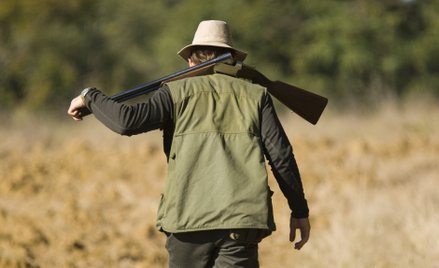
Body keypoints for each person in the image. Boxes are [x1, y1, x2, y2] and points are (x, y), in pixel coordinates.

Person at [68, 20, 310, 268]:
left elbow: (126, 122)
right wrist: (299, 210)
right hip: (241, 223)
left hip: (188, 221)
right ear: (231, 59)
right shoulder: (257, 95)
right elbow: (281, 157)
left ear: (191, 60)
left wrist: (90, 96)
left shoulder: (174, 92)